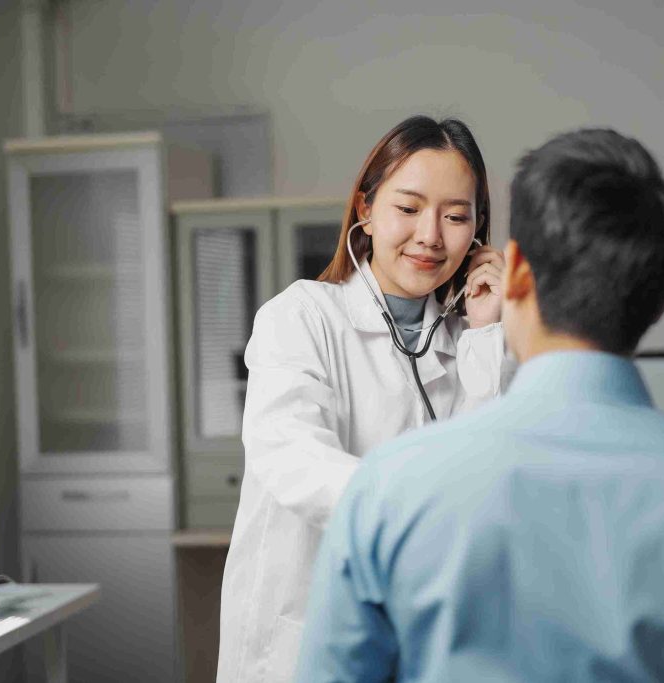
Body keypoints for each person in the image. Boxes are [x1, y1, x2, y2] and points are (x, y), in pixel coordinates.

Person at [296, 128, 664, 682]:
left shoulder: (389, 489)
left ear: (514, 271)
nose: (431, 235)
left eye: (455, 216)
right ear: (659, 301)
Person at [216, 115, 514, 682]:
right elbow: (292, 457)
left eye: (455, 216)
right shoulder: (301, 317)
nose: (431, 235)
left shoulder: (466, 345)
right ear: (365, 211)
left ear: (477, 233)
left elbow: (482, 479)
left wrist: (485, 334)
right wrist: (416, 511)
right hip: (300, 645)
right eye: (408, 208)